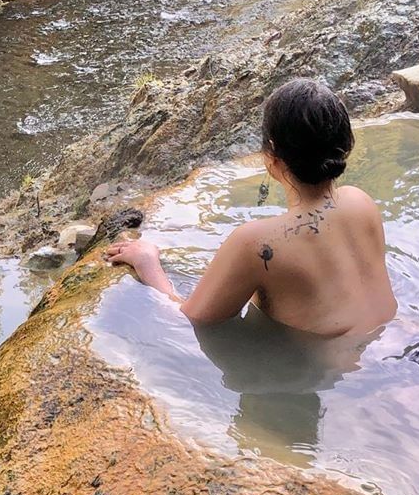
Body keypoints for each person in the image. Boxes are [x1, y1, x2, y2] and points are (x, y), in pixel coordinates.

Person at [105, 78, 397, 339]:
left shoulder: (257, 244)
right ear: (346, 145)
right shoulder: (361, 202)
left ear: (271, 156)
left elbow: (190, 321)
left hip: (329, 369)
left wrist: (148, 264)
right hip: (391, 341)